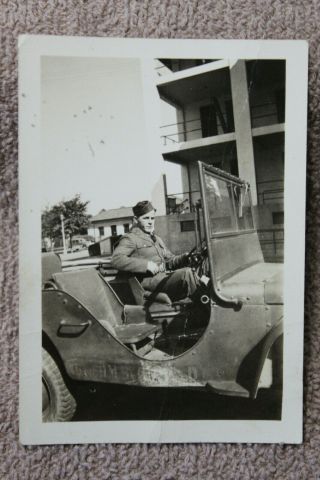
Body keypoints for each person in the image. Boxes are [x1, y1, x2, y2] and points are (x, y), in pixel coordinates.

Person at [111, 200, 203, 302]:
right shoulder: (130, 238)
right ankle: (207, 310)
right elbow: (116, 259)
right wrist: (146, 265)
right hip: (147, 282)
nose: (150, 222)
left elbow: (170, 260)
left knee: (200, 274)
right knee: (187, 274)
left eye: (152, 218)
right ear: (136, 220)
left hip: (162, 278)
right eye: (146, 218)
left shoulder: (156, 239)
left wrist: (185, 258)